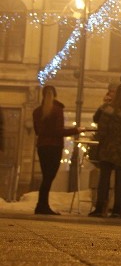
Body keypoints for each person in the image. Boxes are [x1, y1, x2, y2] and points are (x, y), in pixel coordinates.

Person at [89, 81, 121, 218]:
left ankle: (100, 207)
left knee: (104, 178)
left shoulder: (109, 109)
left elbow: (101, 127)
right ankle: (118, 208)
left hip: (109, 148)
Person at [32, 85, 80, 215]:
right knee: (49, 176)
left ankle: (41, 204)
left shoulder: (37, 111)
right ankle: (42, 205)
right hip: (54, 147)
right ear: (56, 95)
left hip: (42, 146)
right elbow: (58, 131)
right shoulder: (57, 109)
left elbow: (37, 131)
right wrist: (76, 130)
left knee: (46, 176)